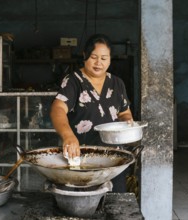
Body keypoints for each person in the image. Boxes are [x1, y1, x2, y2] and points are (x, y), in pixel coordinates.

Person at [50, 33, 134, 192]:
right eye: (94, 57)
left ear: (110, 59)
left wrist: (128, 121)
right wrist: (68, 136)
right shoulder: (74, 81)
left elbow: (124, 113)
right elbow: (58, 108)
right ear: (85, 55)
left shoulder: (117, 83)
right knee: (83, 207)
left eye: (104, 58)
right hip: (81, 161)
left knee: (114, 206)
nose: (98, 63)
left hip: (113, 161)